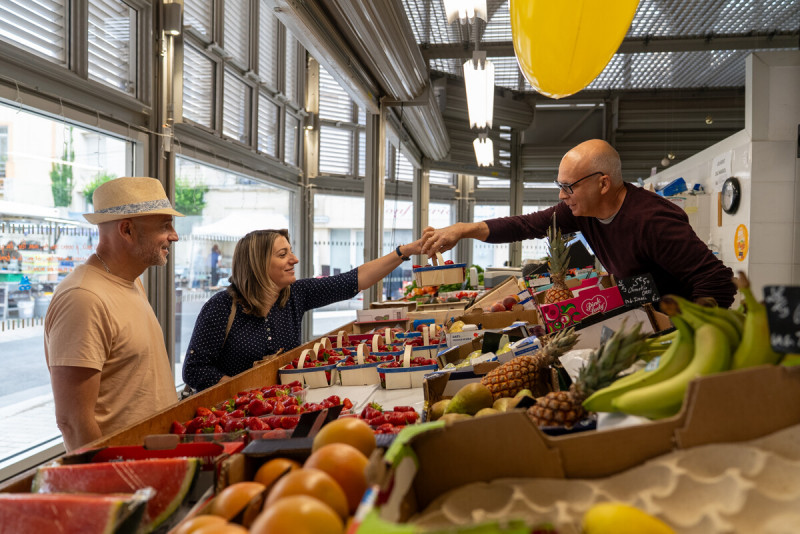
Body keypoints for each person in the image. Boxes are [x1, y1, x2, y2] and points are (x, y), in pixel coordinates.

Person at [421, 139, 736, 307]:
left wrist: (686, 331)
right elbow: (524, 225)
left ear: (603, 184)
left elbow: (717, 281)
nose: (562, 195)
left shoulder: (652, 221)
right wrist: (465, 229)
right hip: (645, 320)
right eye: (560, 185)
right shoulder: (580, 211)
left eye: (569, 187)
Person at [182, 229, 425, 391]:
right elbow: (194, 370)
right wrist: (248, 391)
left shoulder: (294, 295)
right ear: (258, 264)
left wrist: (404, 252)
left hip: (285, 405)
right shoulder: (221, 307)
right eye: (283, 254)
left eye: (291, 251)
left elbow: (354, 280)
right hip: (239, 415)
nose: (294, 259)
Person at [44, 177, 183, 451]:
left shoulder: (131, 281)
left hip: (153, 465)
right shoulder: (84, 298)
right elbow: (72, 422)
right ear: (127, 230)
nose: (174, 235)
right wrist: (109, 483)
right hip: (123, 479)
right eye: (165, 226)